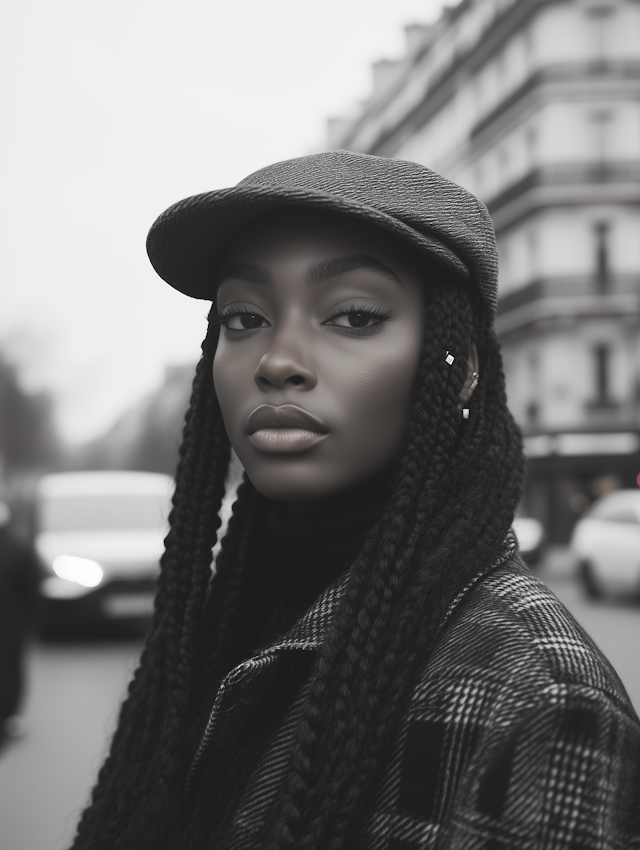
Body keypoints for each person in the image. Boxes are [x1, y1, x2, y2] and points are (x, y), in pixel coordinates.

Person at [71, 152, 640, 850]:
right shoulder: (228, 624)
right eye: (243, 318)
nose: (276, 360)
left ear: (460, 373)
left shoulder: (538, 698)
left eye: (354, 316)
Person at [0, 500, 40, 746]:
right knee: (10, 671)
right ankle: (9, 717)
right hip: (10, 625)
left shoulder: (20, 551)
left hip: (10, 623)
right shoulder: (20, 551)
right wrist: (34, 623)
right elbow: (32, 592)